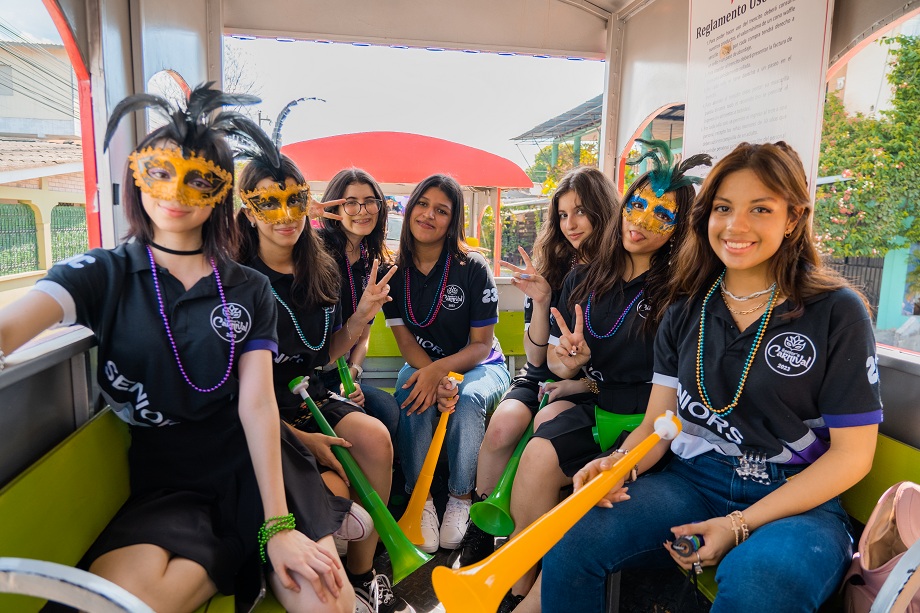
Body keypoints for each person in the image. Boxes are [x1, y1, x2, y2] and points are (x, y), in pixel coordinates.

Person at [0, 85, 360, 612]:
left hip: (263, 468)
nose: (176, 191)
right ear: (136, 176)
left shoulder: (247, 288)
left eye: (198, 179)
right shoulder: (103, 274)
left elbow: (257, 404)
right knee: (116, 602)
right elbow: (11, 328)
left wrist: (280, 524)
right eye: (161, 171)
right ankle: (240, 560)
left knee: (329, 602)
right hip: (171, 483)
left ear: (218, 194)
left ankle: (266, 550)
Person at [542, 142, 882, 613]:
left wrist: (740, 523)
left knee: (759, 587)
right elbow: (659, 427)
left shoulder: (836, 312)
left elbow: (853, 456)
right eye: (723, 208)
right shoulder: (685, 308)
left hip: (796, 498)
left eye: (760, 209)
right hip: (692, 480)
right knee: (572, 534)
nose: (736, 225)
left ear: (792, 218)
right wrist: (616, 465)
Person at [493, 141, 710, 613]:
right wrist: (567, 364)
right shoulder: (583, 278)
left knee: (589, 505)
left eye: (662, 215)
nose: (643, 220)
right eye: (638, 204)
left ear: (678, 230)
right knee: (535, 457)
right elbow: (553, 362)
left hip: (650, 424)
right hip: (596, 405)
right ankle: (513, 585)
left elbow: (671, 398)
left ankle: (534, 599)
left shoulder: (680, 293)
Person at [235, 152, 414, 613]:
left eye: (296, 200)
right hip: (261, 413)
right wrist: (301, 439)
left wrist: (361, 316)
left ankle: (363, 572)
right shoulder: (234, 280)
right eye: (268, 203)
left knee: (376, 438)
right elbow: (236, 396)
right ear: (248, 210)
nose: (286, 215)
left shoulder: (321, 266)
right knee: (337, 472)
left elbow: (325, 350)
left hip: (309, 393)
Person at [446, 166, 618, 570]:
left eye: (580, 211)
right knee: (504, 426)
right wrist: (542, 301)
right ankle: (484, 527)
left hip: (588, 386)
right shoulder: (552, 268)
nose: (570, 224)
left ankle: (527, 551)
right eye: (562, 215)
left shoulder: (618, 272)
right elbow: (539, 360)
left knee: (544, 429)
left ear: (603, 210)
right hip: (544, 374)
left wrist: (574, 378)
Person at [381, 174, 511, 553]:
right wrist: (432, 375)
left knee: (467, 400)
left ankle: (460, 497)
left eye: (442, 210)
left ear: (452, 221)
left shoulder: (472, 267)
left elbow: (481, 345)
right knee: (411, 389)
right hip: (424, 362)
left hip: (481, 364)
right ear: (409, 210)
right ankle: (420, 499)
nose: (428, 215)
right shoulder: (394, 268)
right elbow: (406, 343)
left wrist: (443, 372)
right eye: (422, 204)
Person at [317, 168, 401, 442]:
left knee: (387, 410)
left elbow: (365, 331)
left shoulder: (372, 260)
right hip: (312, 372)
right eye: (350, 202)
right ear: (333, 207)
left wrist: (352, 374)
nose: (362, 210)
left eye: (370, 201)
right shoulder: (314, 252)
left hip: (342, 373)